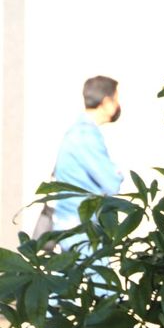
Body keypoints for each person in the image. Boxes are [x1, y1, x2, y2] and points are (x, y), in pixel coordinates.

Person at [51, 75, 124, 251]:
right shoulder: (86, 134)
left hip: (70, 225)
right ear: (107, 102)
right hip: (83, 230)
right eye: (117, 99)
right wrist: (118, 173)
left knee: (69, 278)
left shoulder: (77, 131)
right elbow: (111, 182)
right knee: (96, 278)